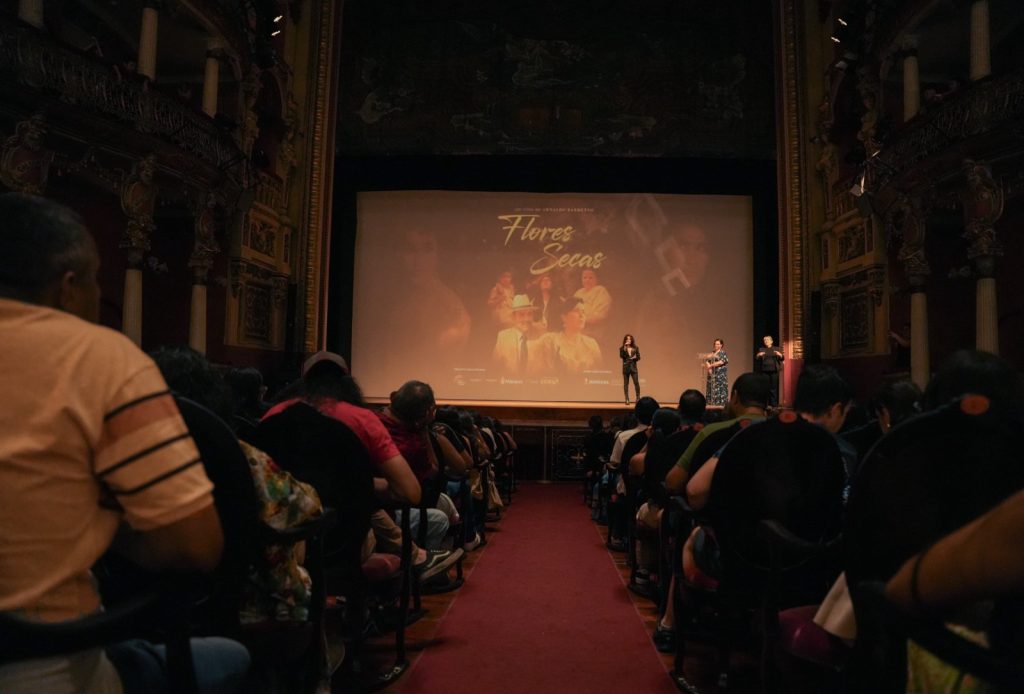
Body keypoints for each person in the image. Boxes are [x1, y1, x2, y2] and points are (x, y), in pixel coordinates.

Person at [0, 193, 249, 693]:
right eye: (96, 281)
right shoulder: (98, 357)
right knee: (230, 658)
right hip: (45, 660)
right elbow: (192, 546)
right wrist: (93, 518)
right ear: (69, 289)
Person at [532, 299, 602, 376]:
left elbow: (599, 374)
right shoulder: (551, 340)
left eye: (583, 312)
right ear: (564, 317)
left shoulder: (591, 343)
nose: (581, 315)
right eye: (576, 311)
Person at [491, 294, 540, 375]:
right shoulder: (503, 337)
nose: (526, 319)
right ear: (513, 317)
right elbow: (493, 369)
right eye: (521, 315)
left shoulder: (541, 337)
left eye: (529, 314)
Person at [572, 268, 612, 335]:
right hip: (577, 328)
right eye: (584, 278)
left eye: (591, 278)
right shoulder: (579, 292)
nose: (587, 280)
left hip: (593, 330)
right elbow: (571, 309)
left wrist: (581, 320)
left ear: (596, 279)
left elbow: (600, 315)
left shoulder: (600, 291)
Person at [755, 335, 784, 407]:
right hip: (765, 370)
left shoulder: (776, 349)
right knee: (765, 387)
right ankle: (765, 404)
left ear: (771, 341)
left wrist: (779, 354)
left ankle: (774, 405)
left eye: (767, 340)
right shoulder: (762, 349)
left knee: (773, 388)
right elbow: (757, 358)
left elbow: (782, 358)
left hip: (774, 370)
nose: (766, 342)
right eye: (765, 340)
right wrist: (758, 355)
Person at [704, 338, 729, 406]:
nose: (716, 345)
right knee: (711, 388)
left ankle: (720, 404)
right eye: (715, 344)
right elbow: (706, 360)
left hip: (720, 375)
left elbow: (722, 361)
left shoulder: (722, 353)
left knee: (720, 388)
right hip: (712, 374)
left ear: (721, 345)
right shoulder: (712, 353)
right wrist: (709, 368)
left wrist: (711, 365)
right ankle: (711, 403)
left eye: (718, 344)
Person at [619, 333, 641, 405]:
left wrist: (635, 358)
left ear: (632, 340)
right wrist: (625, 348)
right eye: (627, 339)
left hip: (633, 368)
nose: (629, 340)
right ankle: (627, 399)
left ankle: (638, 398)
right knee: (626, 384)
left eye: (630, 339)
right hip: (626, 368)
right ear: (625, 340)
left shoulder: (635, 348)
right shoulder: (622, 348)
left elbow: (639, 357)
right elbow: (622, 356)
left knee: (636, 383)